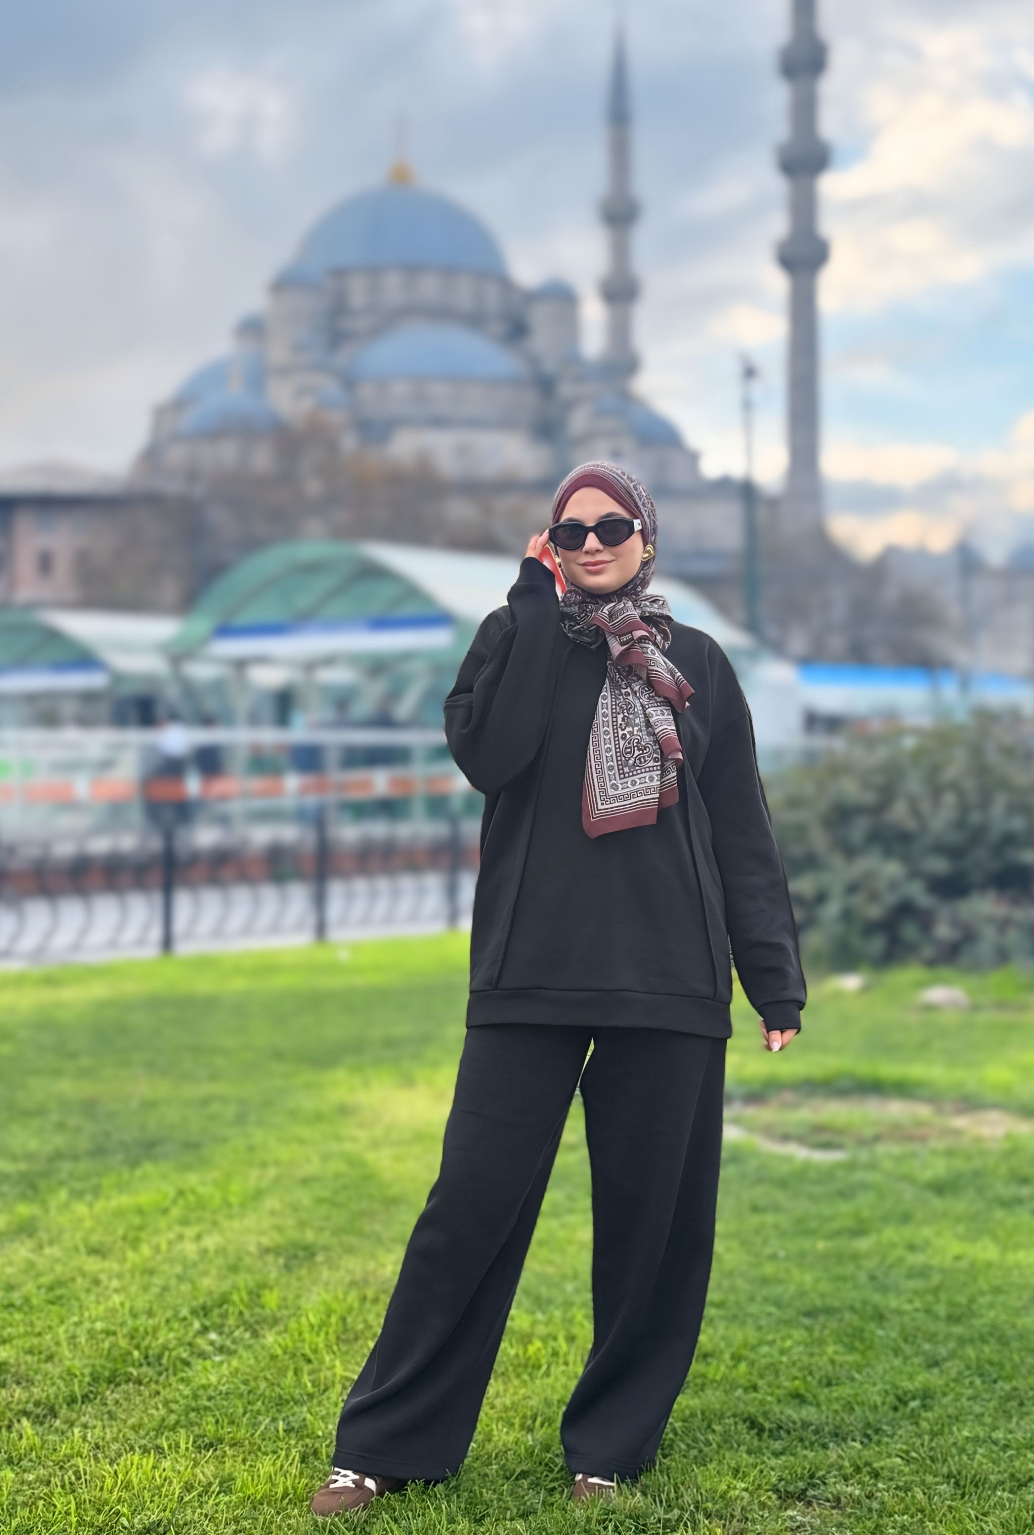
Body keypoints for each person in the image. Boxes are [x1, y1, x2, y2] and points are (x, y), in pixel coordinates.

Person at [310, 461, 806, 1517]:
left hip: (669, 976)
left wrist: (773, 978)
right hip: (528, 972)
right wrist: (533, 608)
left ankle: (611, 1446)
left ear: (646, 538)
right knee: (468, 1208)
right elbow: (491, 754)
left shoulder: (699, 663)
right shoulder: (511, 636)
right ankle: (386, 1444)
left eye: (611, 526)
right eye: (570, 530)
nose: (591, 544)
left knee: (653, 1228)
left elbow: (739, 827)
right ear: (549, 543)